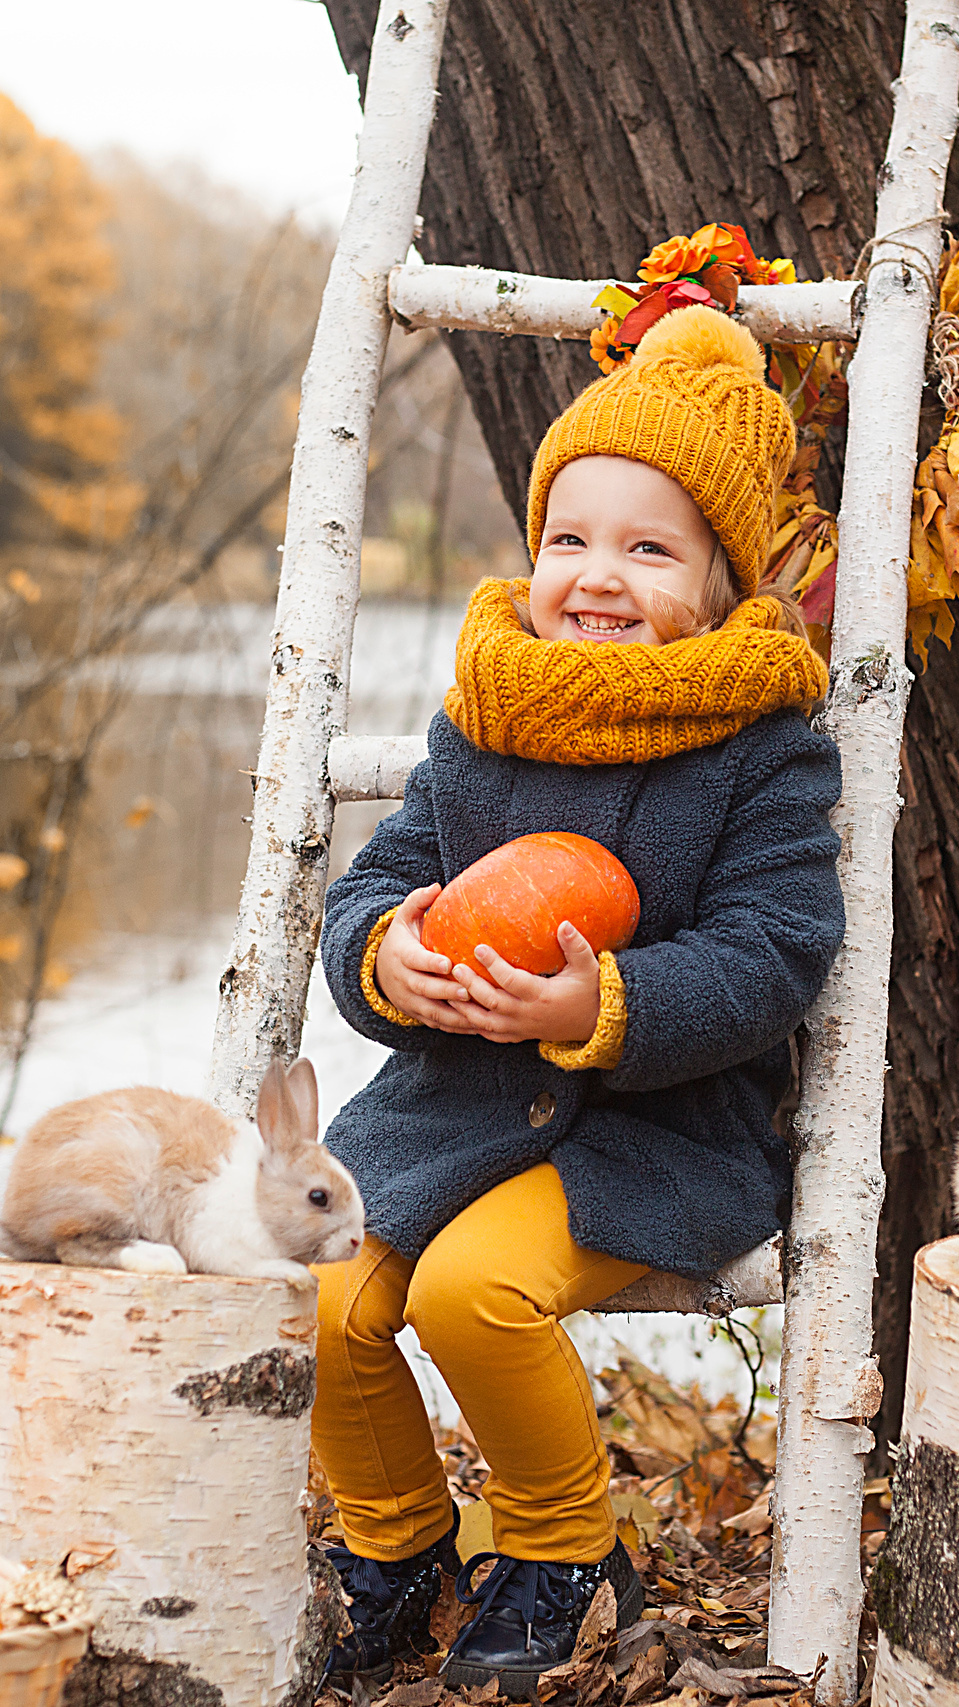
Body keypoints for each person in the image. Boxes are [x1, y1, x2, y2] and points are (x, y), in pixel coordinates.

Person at [311, 304, 845, 1699]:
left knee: (475, 1294)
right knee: (318, 1295)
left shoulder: (759, 753)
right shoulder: (482, 717)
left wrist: (600, 1002)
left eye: (648, 547)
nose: (596, 575)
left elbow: (775, 955)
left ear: (725, 582)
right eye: (570, 538)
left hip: (649, 1137)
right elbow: (375, 886)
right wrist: (390, 957)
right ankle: (398, 1543)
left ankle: (557, 1550)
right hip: (449, 1109)